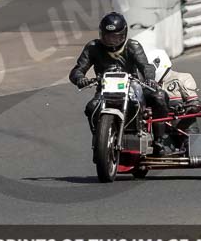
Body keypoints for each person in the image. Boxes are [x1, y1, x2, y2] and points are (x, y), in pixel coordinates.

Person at [68, 12, 179, 156]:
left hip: (132, 87)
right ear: (102, 34)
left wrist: (149, 78)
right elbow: (77, 70)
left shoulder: (132, 46)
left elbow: (146, 66)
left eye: (116, 37)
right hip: (104, 90)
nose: (112, 41)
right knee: (91, 107)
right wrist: (80, 78)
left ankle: (159, 140)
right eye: (108, 36)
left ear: (124, 34)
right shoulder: (93, 47)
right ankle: (99, 140)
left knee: (159, 96)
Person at [144, 48, 201, 134]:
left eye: (149, 69)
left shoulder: (182, 78)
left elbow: (196, 105)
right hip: (161, 132)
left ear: (158, 63)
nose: (147, 72)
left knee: (191, 144)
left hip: (184, 129)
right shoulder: (147, 86)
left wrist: (184, 108)